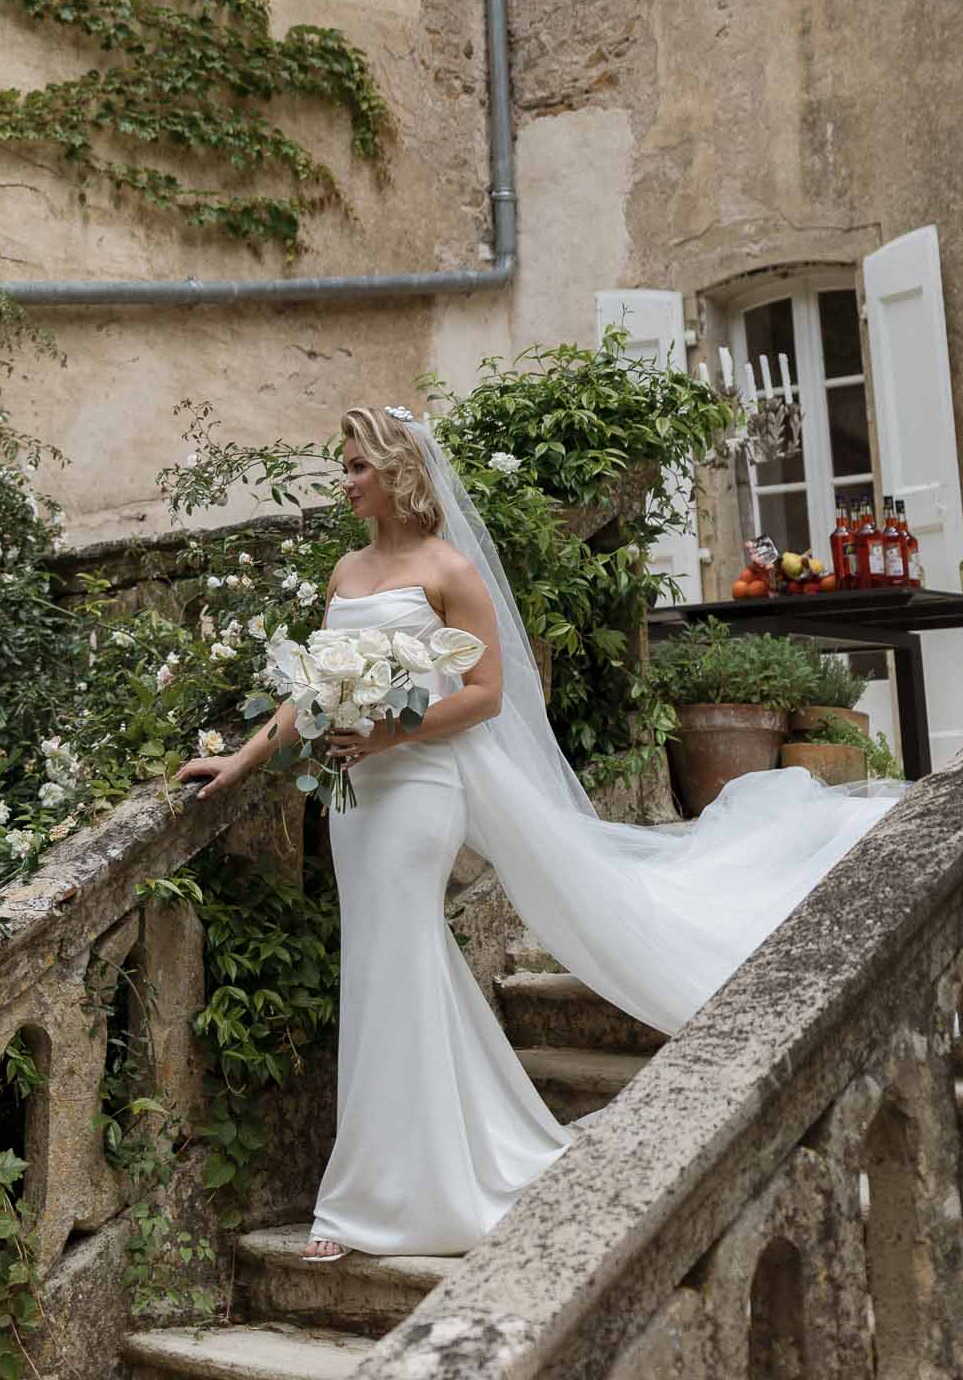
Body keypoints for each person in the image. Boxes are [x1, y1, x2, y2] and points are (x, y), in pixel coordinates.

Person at [175, 405, 898, 1262]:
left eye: (356, 466)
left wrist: (389, 733)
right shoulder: (346, 569)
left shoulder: (448, 570)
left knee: (395, 965)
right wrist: (241, 762)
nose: (345, 481)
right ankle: (429, 1166)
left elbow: (486, 693)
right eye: (345, 467)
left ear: (398, 471)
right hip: (354, 796)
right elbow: (309, 689)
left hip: (417, 787)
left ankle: (367, 1203)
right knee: (386, 969)